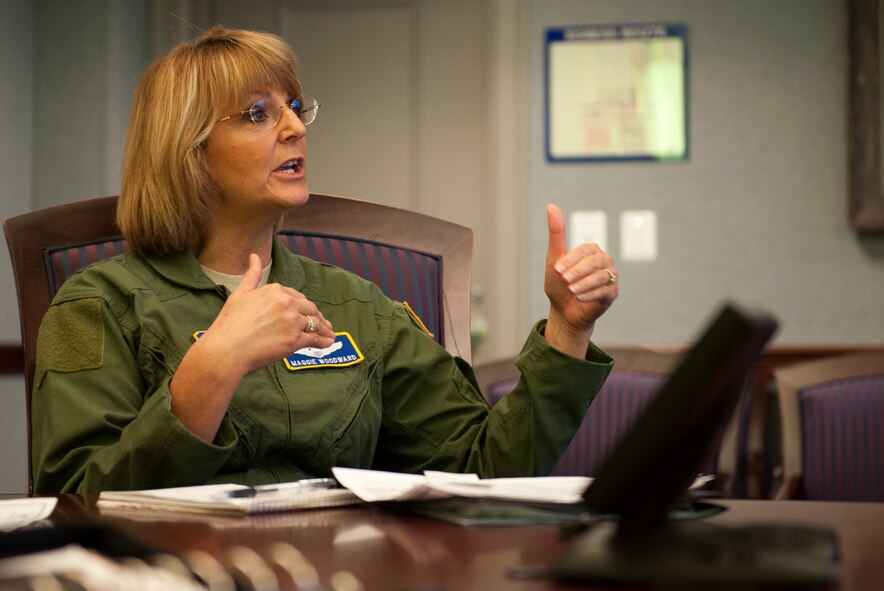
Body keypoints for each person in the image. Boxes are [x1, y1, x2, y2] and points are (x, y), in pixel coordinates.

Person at [30, 26, 619, 494]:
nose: (294, 128)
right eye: (258, 114)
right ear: (188, 151)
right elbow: (74, 506)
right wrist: (212, 367)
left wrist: (568, 329)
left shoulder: (355, 305)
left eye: (293, 107)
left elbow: (485, 471)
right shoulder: (97, 305)